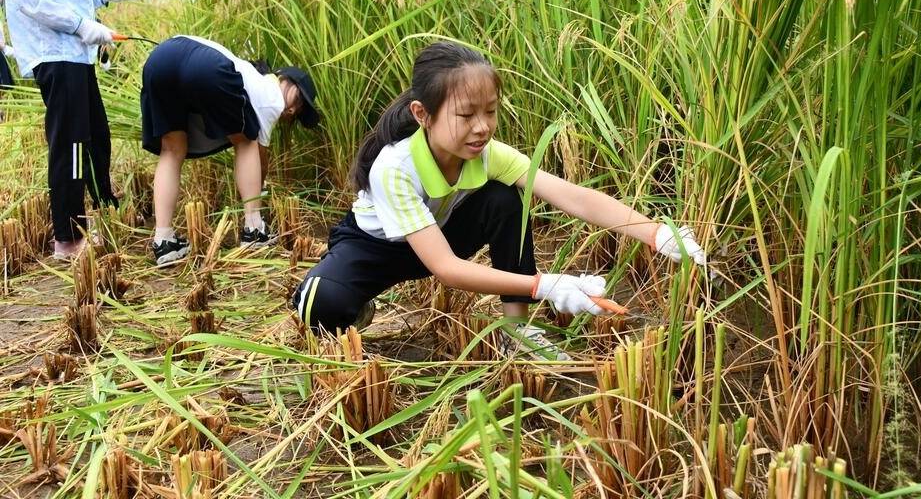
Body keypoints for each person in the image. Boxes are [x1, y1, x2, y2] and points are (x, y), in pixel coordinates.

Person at [291, 41, 709, 360]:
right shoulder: (395, 167)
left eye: (489, 112)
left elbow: (572, 197)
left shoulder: (490, 155)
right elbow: (447, 269)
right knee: (318, 306)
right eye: (466, 114)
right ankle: (355, 305)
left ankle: (516, 330)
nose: (481, 128)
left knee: (505, 200)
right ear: (423, 114)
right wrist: (545, 285)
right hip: (375, 249)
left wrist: (657, 234)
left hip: (440, 237)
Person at [0, 0, 140, 259]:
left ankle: (102, 214)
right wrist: (83, 26)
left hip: (73, 59)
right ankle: (68, 237)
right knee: (72, 146)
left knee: (95, 137)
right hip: (57, 59)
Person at [140, 35, 321, 266]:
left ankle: (164, 241)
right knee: (246, 141)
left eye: (299, 110)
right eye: (299, 100)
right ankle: (254, 229)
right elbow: (259, 158)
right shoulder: (272, 94)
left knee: (172, 149)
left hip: (160, 59)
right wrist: (258, 189)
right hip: (204, 64)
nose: (294, 109)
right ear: (285, 80)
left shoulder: (250, 76)